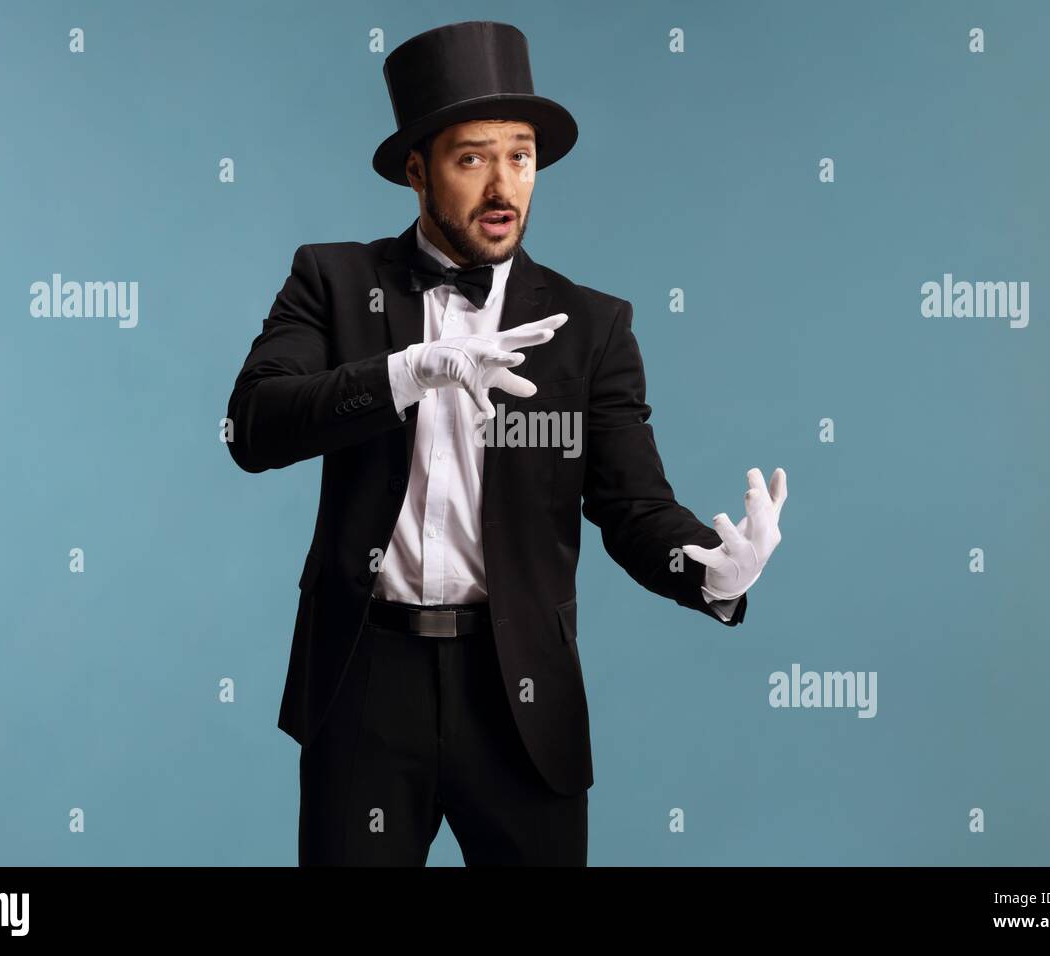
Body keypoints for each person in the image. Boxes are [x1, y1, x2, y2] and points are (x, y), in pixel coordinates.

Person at [225, 20, 787, 866]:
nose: (503, 185)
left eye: (520, 157)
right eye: (472, 158)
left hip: (521, 691)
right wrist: (409, 372)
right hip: (365, 679)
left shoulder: (591, 325)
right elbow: (255, 427)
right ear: (416, 170)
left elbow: (633, 506)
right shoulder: (332, 280)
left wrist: (708, 570)